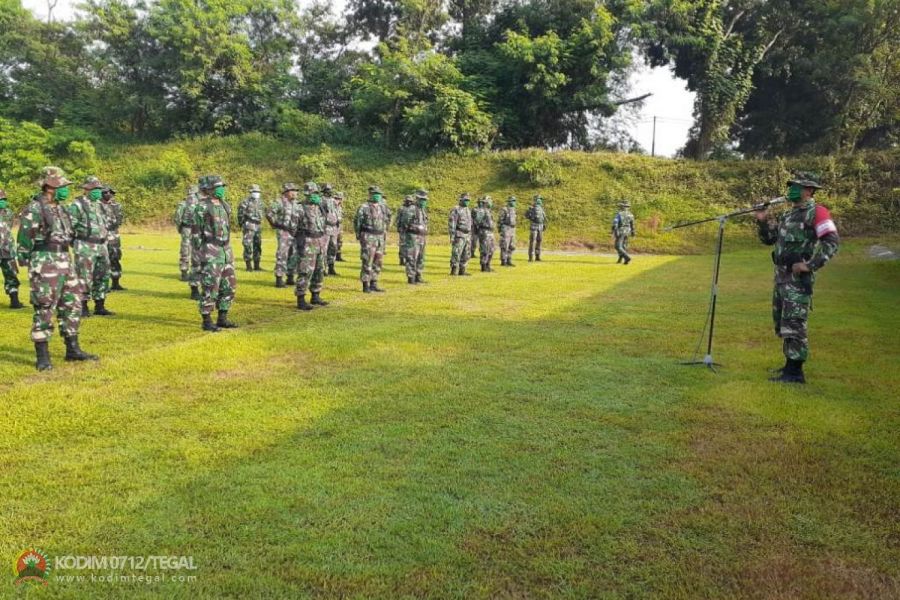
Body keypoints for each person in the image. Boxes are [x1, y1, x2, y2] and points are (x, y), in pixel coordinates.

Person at [756, 172, 840, 384]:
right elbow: (769, 239)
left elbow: (832, 242)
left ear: (809, 190)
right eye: (791, 185)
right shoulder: (789, 214)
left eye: (796, 186)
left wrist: (810, 265)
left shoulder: (817, 213)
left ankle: (795, 373)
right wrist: (763, 220)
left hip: (797, 279)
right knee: (783, 322)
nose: (791, 189)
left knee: (795, 323)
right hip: (781, 276)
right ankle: (788, 366)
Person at [17, 167, 97, 370]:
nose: (65, 190)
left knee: (72, 303)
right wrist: (29, 263)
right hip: (45, 261)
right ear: (50, 186)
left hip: (65, 259)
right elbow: (24, 239)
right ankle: (42, 356)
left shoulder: (61, 208)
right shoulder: (34, 209)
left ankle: (72, 349)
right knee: (44, 306)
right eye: (62, 186)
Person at [194, 176, 238, 331]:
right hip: (211, 250)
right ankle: (206, 321)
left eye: (222, 186)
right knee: (210, 286)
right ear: (209, 189)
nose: (221, 189)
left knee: (229, 286)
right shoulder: (202, 207)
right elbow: (196, 233)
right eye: (218, 187)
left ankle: (222, 318)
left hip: (226, 250)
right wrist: (200, 254)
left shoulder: (225, 205)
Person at [68, 176, 113, 317]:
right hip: (85, 245)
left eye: (99, 189)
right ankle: (83, 306)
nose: (98, 191)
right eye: (95, 189)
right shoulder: (77, 205)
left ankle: (100, 305)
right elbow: (69, 227)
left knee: (103, 275)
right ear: (86, 189)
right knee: (84, 277)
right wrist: (75, 243)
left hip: (101, 245)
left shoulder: (99, 205)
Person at [294, 182, 329, 310]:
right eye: (313, 193)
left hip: (320, 241)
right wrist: (299, 242)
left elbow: (324, 223)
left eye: (317, 193)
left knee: (319, 269)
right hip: (308, 242)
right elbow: (293, 227)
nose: (316, 196)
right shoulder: (299, 208)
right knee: (306, 270)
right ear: (307, 194)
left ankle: (316, 295)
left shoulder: (320, 207)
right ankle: (301, 298)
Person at [266, 182, 301, 288]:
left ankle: (290, 277)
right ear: (286, 192)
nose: (295, 193)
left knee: (294, 254)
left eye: (296, 191)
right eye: (293, 191)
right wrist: (277, 224)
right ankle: (279, 279)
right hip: (284, 232)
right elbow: (269, 213)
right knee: (282, 254)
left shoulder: (297, 204)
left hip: (295, 233)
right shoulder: (279, 202)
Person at [354, 186, 387, 293]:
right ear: (370, 195)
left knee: (378, 261)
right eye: (374, 194)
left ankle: (374, 282)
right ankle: (366, 284)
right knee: (367, 260)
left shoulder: (383, 207)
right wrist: (359, 235)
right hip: (368, 236)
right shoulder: (363, 207)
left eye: (379, 194)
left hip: (380, 237)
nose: (377, 196)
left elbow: (386, 220)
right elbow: (357, 222)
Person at [396, 190, 429, 284]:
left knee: (421, 257)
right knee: (412, 257)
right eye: (422, 199)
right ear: (417, 199)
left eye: (425, 200)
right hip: (412, 236)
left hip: (422, 237)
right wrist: (410, 233)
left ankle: (418, 276)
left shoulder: (422, 210)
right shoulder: (410, 209)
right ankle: (411, 278)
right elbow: (404, 223)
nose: (424, 201)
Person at [0, 188, 24, 309]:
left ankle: (14, 300)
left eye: (4, 199)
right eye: (0, 199)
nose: (3, 201)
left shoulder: (8, 213)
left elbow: (8, 228)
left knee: (11, 275)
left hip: (7, 249)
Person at [100, 186, 125, 290]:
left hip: (114, 236)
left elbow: (119, 220)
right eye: (106, 193)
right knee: (102, 260)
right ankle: (103, 285)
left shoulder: (116, 205)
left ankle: (116, 283)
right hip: (101, 236)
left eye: (111, 193)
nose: (109, 195)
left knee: (115, 258)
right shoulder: (97, 206)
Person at [237, 184, 265, 272]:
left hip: (258, 226)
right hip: (249, 225)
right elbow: (240, 214)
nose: (257, 193)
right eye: (255, 192)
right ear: (251, 192)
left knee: (258, 245)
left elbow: (263, 213)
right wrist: (242, 224)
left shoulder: (261, 202)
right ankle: (248, 266)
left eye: (258, 192)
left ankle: (257, 265)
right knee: (247, 245)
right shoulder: (245, 202)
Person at [174, 186, 199, 283]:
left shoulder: (183, 203)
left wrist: (180, 228)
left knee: (185, 249)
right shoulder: (200, 203)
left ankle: (184, 272)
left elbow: (177, 218)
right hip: (197, 229)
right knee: (197, 249)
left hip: (186, 228)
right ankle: (196, 271)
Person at [448, 193, 474, 276]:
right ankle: (454, 270)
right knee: (456, 252)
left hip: (467, 235)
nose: (467, 202)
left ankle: (462, 270)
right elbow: (452, 223)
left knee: (466, 253)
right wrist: (452, 235)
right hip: (459, 234)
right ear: (461, 200)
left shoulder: (468, 210)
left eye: (468, 200)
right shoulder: (456, 209)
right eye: (466, 200)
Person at [321, 184, 342, 275]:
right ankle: (323, 268)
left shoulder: (332, 201)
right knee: (324, 248)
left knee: (333, 247)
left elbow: (336, 212)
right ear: (324, 191)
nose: (329, 191)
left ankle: (331, 267)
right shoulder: (321, 200)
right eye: (328, 190)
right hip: (325, 227)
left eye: (330, 189)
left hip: (334, 227)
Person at [473, 195, 496, 272]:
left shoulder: (488, 211)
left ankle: (488, 264)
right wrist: (479, 230)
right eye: (490, 201)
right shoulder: (481, 211)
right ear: (486, 202)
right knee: (485, 249)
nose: (491, 202)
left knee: (492, 249)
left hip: (490, 232)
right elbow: (477, 221)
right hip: (484, 232)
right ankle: (483, 266)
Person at [612, 200, 636, 265]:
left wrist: (614, 231)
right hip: (628, 231)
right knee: (624, 245)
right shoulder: (631, 215)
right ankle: (622, 260)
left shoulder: (619, 214)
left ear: (622, 207)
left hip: (621, 231)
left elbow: (615, 224)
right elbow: (632, 225)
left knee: (618, 246)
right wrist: (633, 232)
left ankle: (627, 257)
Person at [525, 195, 547, 262]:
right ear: (535, 200)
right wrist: (531, 217)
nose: (540, 200)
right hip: (534, 226)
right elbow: (526, 215)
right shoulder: (532, 208)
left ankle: (538, 256)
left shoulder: (541, 209)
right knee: (532, 242)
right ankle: (531, 257)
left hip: (540, 226)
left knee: (539, 241)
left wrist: (545, 225)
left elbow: (544, 217)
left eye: (540, 199)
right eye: (538, 199)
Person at [497, 195, 517, 267]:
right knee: (505, 245)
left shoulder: (513, 209)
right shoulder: (504, 209)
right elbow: (500, 220)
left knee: (512, 246)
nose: (514, 202)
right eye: (513, 201)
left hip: (512, 229)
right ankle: (503, 261)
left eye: (515, 201)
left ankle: (509, 259)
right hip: (506, 228)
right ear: (509, 202)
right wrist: (501, 229)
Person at [397, 195, 414, 266]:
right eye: (407, 201)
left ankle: (408, 258)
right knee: (402, 245)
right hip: (403, 229)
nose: (408, 202)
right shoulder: (401, 208)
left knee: (410, 245)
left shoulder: (414, 209)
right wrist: (398, 227)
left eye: (410, 201)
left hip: (411, 230)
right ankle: (401, 259)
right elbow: (398, 219)